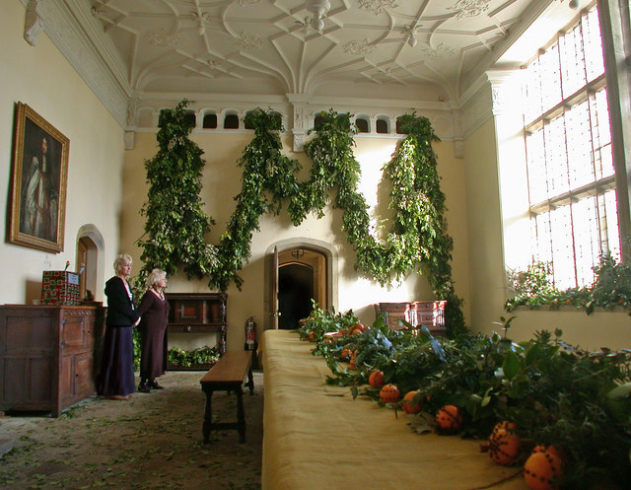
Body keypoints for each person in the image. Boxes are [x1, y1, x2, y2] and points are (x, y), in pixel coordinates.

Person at [96, 254, 140, 400]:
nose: (129, 268)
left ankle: (124, 388)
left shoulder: (126, 283)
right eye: (126, 265)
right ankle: (114, 390)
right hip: (117, 325)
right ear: (119, 267)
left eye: (130, 265)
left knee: (125, 358)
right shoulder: (114, 283)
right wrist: (133, 316)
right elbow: (121, 305)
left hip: (125, 324)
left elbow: (131, 303)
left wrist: (136, 315)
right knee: (117, 358)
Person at [136, 269, 170, 393]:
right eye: (162, 279)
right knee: (149, 353)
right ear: (155, 282)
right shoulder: (149, 295)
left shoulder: (162, 294)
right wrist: (136, 321)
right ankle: (143, 381)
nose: (165, 281)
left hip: (160, 330)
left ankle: (152, 379)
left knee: (157, 354)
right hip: (150, 330)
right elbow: (141, 310)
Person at [23, 136, 57, 241]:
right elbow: (30, 191)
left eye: (46, 144)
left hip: (45, 208)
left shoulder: (48, 172)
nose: (44, 146)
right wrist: (33, 209)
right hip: (37, 207)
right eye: (42, 143)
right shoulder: (36, 163)